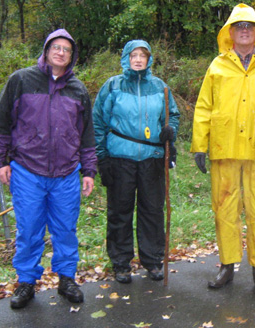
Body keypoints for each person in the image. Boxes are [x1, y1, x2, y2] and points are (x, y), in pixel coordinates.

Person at [0, 29, 96, 309]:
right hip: (27, 172)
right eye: (56, 47)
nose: (61, 53)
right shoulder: (21, 80)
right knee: (29, 229)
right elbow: (0, 126)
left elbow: (86, 136)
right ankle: (26, 282)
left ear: (72, 57)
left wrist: (89, 171)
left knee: (65, 229)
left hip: (66, 174)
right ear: (46, 51)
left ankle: (67, 278)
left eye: (67, 49)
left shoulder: (78, 90)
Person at [191, 3, 255, 296]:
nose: (244, 31)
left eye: (249, 26)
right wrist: (199, 145)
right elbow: (204, 106)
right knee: (225, 211)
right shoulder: (217, 66)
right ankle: (227, 266)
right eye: (239, 27)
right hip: (225, 149)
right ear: (230, 33)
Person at [93, 40, 180, 284]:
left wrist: (169, 130)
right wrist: (102, 157)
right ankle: (121, 263)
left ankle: (152, 260)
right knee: (120, 211)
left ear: (150, 59)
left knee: (152, 210)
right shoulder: (113, 86)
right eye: (134, 55)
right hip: (120, 159)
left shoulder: (160, 87)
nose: (138, 59)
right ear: (126, 58)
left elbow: (172, 115)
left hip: (152, 159)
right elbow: (98, 121)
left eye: (143, 55)